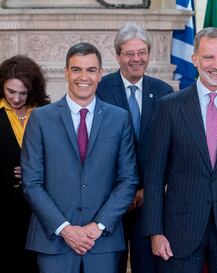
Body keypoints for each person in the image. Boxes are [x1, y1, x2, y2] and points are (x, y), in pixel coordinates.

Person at [143, 27, 217, 273]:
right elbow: (154, 176)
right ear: (195, 59)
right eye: (208, 57)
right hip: (179, 231)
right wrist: (155, 231)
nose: (216, 65)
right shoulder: (170, 107)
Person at [21, 42, 138, 273]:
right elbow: (31, 183)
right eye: (76, 69)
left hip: (102, 242)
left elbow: (128, 180)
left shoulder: (119, 118)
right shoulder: (41, 119)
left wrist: (98, 225)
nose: (83, 76)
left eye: (91, 69)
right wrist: (65, 228)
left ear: (100, 74)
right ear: (66, 72)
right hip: (54, 241)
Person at [96, 22, 173, 273]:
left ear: (149, 54)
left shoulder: (164, 93)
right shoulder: (100, 90)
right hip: (108, 202)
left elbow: (170, 149)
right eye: (129, 53)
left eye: (141, 52)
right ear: (117, 55)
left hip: (150, 202)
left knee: (147, 266)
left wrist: (146, 191)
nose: (136, 59)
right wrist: (123, 193)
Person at [0, 55, 50, 273]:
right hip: (4, 209)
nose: (17, 98)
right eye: (11, 91)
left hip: (40, 210)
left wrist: (36, 170)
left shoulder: (47, 112)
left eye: (23, 93)